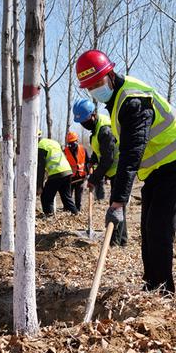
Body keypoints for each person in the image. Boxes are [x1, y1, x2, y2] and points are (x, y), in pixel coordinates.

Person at [74, 50, 176, 293]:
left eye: (99, 83)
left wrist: (118, 202)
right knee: (147, 229)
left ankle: (163, 292)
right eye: (91, 87)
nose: (96, 89)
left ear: (110, 74)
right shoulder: (116, 100)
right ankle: (150, 286)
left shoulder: (132, 101)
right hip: (156, 170)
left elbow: (131, 154)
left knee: (159, 228)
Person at [73, 98, 127, 247]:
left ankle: (116, 243)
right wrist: (92, 160)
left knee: (115, 207)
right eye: (81, 122)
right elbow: (101, 151)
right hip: (114, 170)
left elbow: (108, 158)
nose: (84, 124)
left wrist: (94, 179)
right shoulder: (96, 129)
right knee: (118, 205)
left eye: (85, 120)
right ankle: (121, 240)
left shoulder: (104, 129)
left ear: (93, 115)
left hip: (120, 169)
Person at [37, 133, 78, 216]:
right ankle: (75, 214)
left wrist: (39, 186)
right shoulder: (53, 142)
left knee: (46, 197)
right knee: (66, 197)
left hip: (56, 173)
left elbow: (40, 168)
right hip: (67, 171)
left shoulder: (40, 146)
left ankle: (49, 216)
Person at [63, 131, 88, 211]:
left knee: (79, 196)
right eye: (70, 143)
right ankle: (67, 209)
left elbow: (88, 162)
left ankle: (78, 210)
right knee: (68, 195)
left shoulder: (83, 149)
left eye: (73, 142)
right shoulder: (65, 151)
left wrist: (89, 172)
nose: (71, 145)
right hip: (70, 177)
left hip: (81, 177)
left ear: (77, 141)